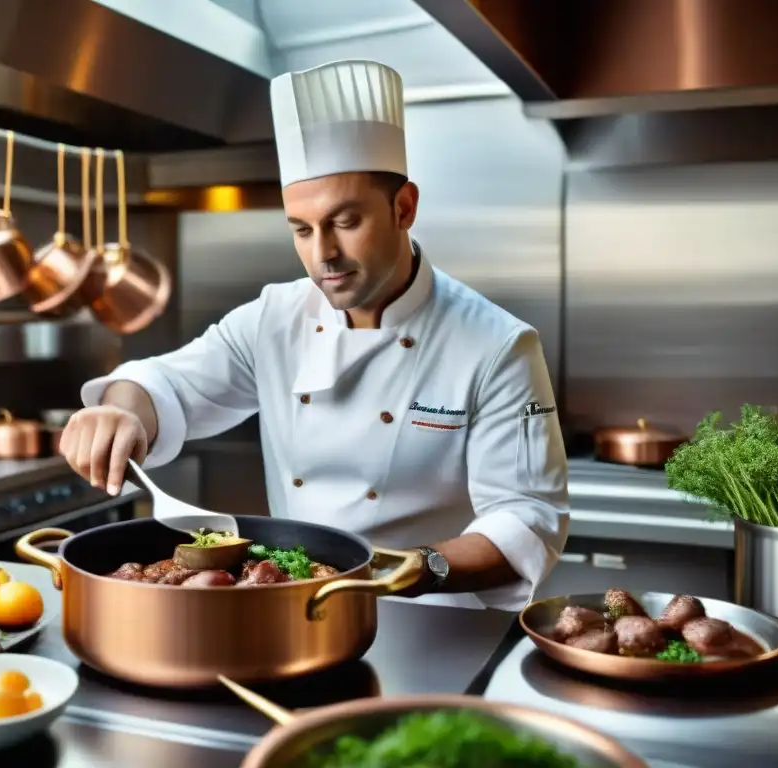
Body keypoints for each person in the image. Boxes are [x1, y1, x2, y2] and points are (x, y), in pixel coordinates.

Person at [61, 59, 569, 611]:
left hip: (432, 619)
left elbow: (526, 518)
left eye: (345, 222)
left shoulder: (497, 346)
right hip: (292, 613)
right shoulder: (273, 318)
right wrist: (122, 413)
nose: (322, 254)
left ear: (404, 208)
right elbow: (162, 383)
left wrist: (406, 571)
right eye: (302, 230)